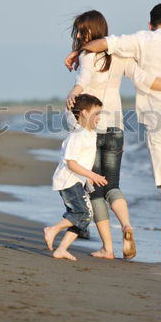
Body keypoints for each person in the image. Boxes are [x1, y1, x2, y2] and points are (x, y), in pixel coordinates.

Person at [65, 3, 161, 266]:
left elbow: (97, 52)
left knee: (159, 189)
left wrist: (77, 57)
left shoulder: (139, 40)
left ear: (150, 24)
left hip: (151, 122)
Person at [44, 94, 107, 261]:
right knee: (83, 214)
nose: (99, 118)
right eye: (97, 113)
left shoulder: (89, 133)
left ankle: (61, 249)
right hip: (68, 181)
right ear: (85, 113)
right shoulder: (77, 135)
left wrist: (88, 178)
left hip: (77, 181)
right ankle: (53, 229)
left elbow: (83, 161)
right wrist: (92, 174)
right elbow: (71, 163)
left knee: (83, 217)